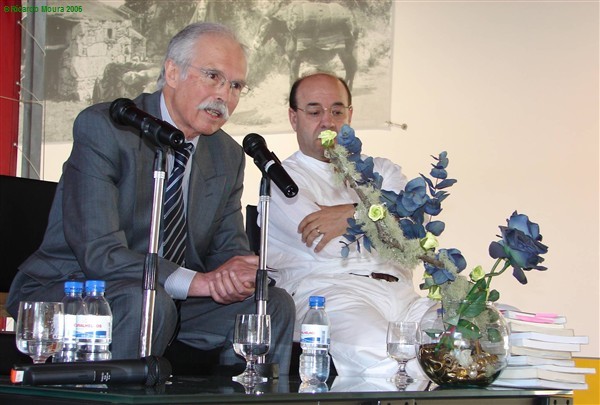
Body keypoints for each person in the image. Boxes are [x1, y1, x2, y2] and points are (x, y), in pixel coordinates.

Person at [7, 22, 295, 373]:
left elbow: (225, 250)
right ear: (172, 72)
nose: (225, 95)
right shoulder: (107, 127)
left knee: (272, 305)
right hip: (77, 288)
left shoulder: (227, 155)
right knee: (147, 302)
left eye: (235, 85)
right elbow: (100, 253)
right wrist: (198, 281)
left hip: (173, 300)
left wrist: (239, 274)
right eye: (213, 77)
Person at [263, 72, 433, 376]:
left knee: (474, 337)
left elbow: (412, 230)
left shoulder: (382, 169)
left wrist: (350, 213)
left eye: (337, 111)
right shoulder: (282, 181)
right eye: (314, 112)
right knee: (384, 355)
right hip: (332, 294)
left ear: (350, 115)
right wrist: (383, 214)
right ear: (294, 117)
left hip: (403, 294)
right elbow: (329, 246)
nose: (327, 122)